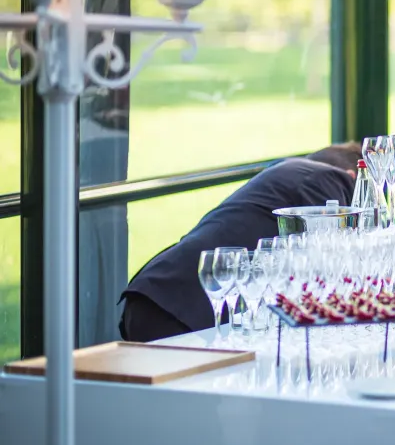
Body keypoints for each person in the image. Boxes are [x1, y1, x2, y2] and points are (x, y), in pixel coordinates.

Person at [118, 143, 362, 343]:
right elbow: (329, 262)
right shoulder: (329, 178)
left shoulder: (287, 174)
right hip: (185, 309)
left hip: (161, 294)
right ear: (354, 175)